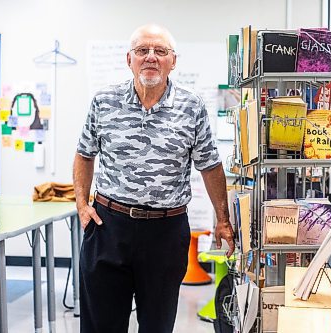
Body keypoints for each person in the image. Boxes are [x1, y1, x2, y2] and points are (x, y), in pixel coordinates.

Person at [73, 24, 235, 333]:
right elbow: (84, 154)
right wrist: (82, 205)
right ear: (129, 59)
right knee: (100, 326)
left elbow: (210, 166)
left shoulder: (192, 106)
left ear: (173, 61)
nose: (151, 57)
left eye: (160, 51)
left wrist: (223, 220)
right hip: (108, 227)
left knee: (157, 326)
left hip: (166, 231)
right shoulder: (104, 101)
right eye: (142, 51)